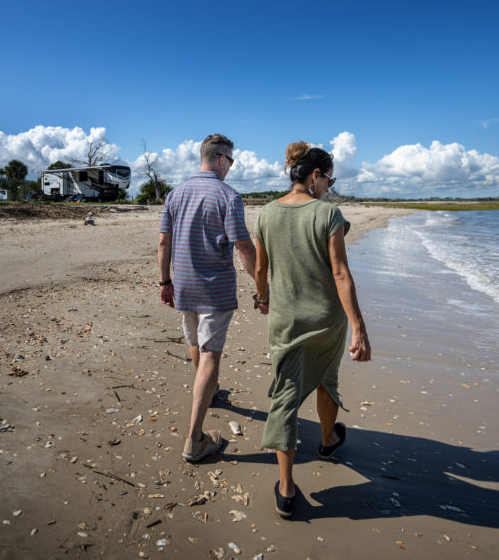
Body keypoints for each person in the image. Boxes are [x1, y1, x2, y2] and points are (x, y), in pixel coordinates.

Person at [253, 142, 371, 518]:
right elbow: (340, 274)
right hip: (325, 320)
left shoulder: (266, 214)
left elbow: (260, 270)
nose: (329, 188)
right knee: (324, 378)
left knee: (286, 395)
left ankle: (286, 489)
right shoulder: (328, 214)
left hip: (285, 320)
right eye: (329, 180)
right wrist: (359, 329)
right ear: (315, 175)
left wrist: (263, 298)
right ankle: (326, 441)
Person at [158, 133, 258, 462]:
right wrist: (262, 283)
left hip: (184, 285)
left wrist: (164, 281)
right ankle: (194, 439)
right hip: (215, 289)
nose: (231, 167)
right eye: (230, 160)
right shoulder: (229, 196)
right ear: (219, 159)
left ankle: (210, 392)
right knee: (210, 354)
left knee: (194, 341)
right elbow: (243, 246)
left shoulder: (175, 194)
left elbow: (163, 244)